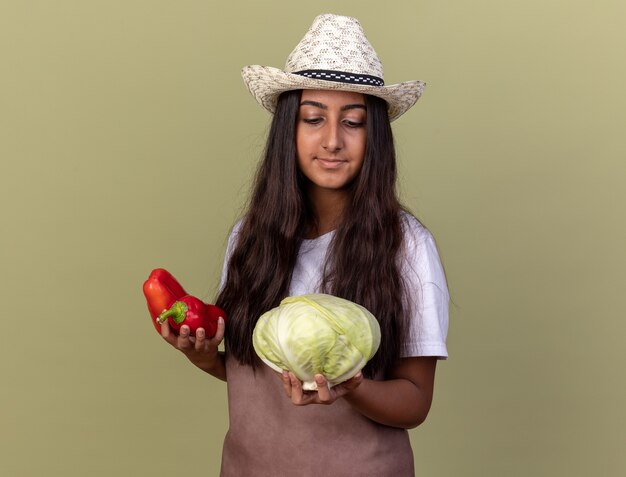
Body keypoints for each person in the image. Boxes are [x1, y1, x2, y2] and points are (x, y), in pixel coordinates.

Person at [160, 13, 449, 477]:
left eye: (353, 122)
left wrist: (351, 385)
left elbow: (415, 401)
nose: (332, 140)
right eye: (313, 118)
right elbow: (256, 375)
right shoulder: (250, 237)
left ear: (374, 136)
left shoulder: (406, 245)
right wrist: (203, 357)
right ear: (287, 130)